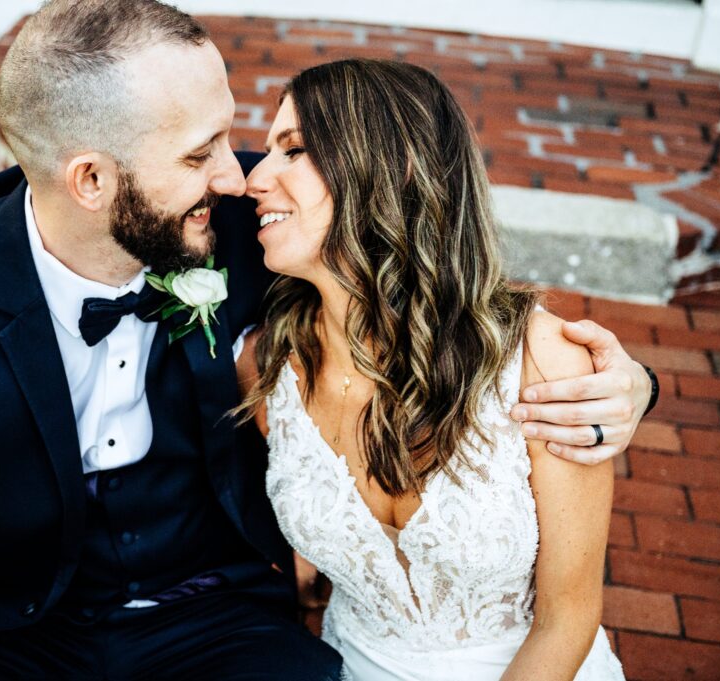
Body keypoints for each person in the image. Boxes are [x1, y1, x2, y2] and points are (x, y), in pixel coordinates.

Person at [0, 2, 652, 679]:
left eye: (234, 139)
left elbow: (425, 271)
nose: (238, 176)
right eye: (201, 152)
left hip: (210, 615)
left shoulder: (267, 223)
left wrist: (632, 385)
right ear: (91, 179)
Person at [236, 59, 627, 680]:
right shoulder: (269, 366)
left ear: (392, 170)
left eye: (295, 150)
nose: (253, 178)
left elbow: (567, 619)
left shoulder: (540, 363)